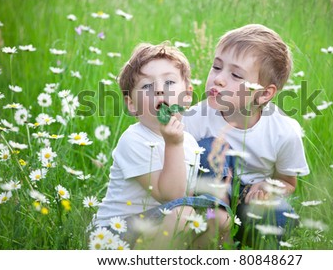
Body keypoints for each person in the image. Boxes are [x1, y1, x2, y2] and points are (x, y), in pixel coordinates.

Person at [92, 42, 231, 249]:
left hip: (162, 222)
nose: (159, 89)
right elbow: (172, 197)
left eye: (169, 82)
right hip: (116, 233)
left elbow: (185, 196)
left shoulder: (189, 141)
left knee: (217, 219)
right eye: (147, 86)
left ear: (187, 96)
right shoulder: (134, 140)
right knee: (183, 217)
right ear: (132, 105)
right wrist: (173, 143)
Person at [182, 24, 310, 248]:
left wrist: (269, 186)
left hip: (249, 201)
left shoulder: (284, 131)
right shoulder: (193, 119)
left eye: (235, 75)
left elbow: (288, 181)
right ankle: (216, 232)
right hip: (206, 198)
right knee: (209, 147)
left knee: (281, 217)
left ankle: (244, 243)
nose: (218, 79)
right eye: (216, 67)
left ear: (264, 94)